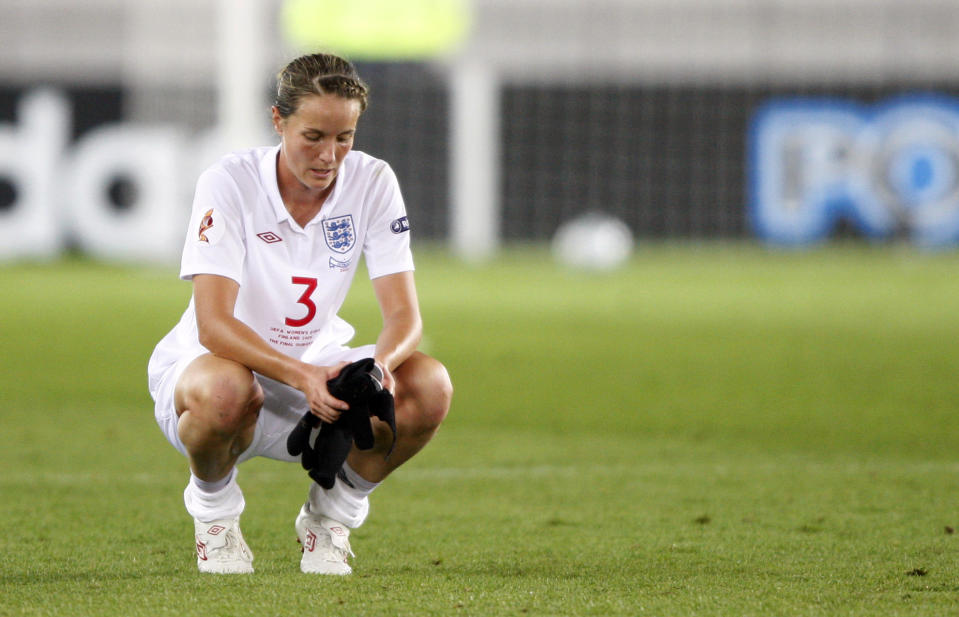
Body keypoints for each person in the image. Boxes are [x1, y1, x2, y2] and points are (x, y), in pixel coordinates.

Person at [147, 53, 453, 575]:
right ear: (277, 120)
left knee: (428, 385)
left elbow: (406, 318)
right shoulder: (230, 182)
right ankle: (215, 517)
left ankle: (330, 520)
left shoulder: (373, 182)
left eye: (345, 137)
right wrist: (302, 375)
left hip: (317, 369)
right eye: (313, 136)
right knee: (226, 390)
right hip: (218, 368)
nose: (329, 155)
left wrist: (375, 372)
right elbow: (213, 325)